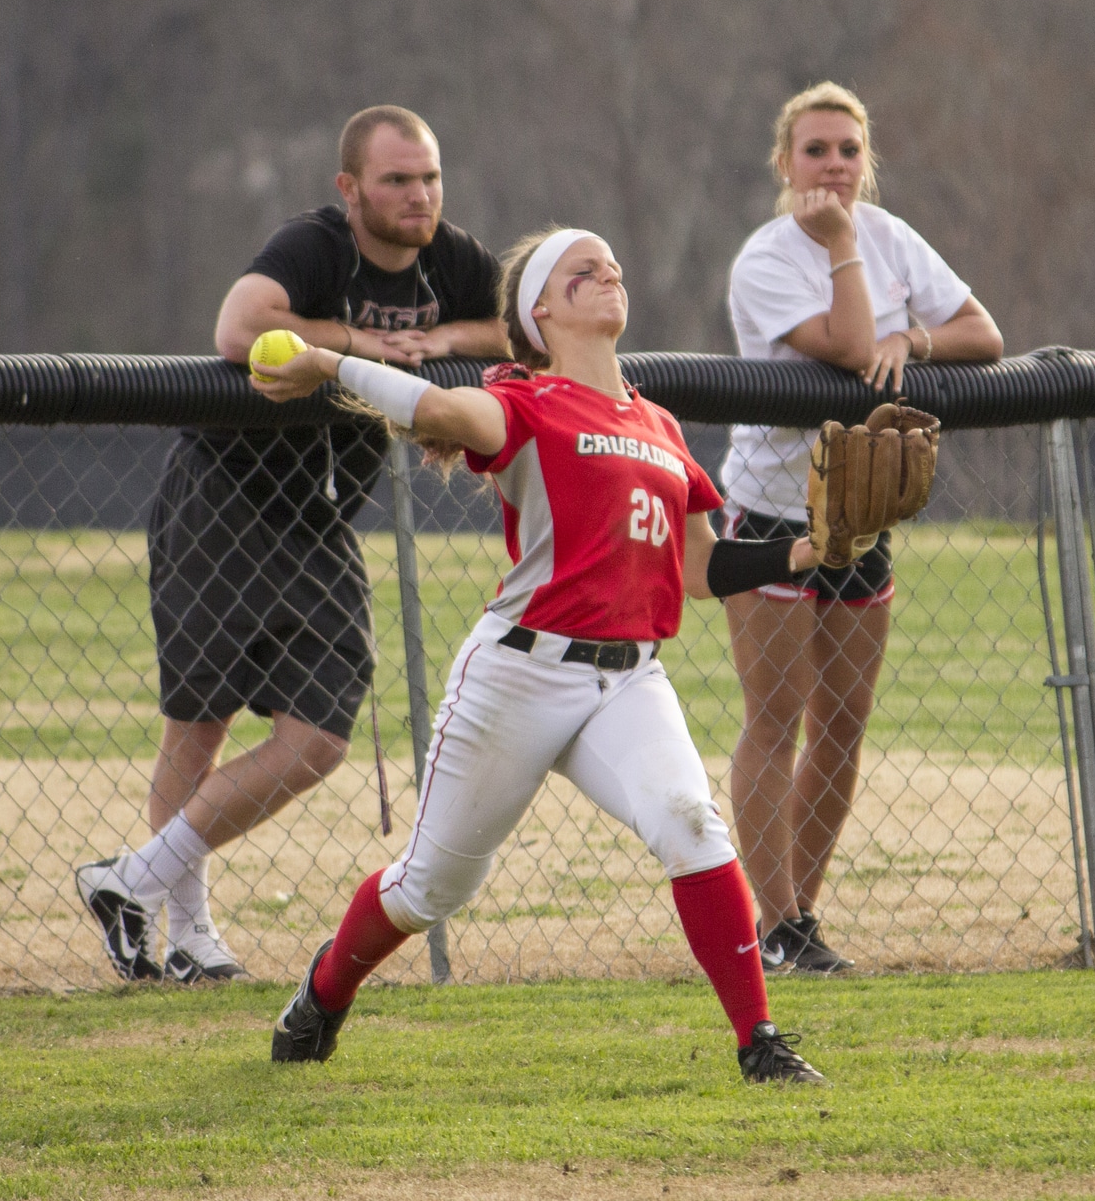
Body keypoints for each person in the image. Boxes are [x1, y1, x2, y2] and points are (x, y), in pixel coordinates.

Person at [253, 226, 831, 1082]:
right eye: (582, 271)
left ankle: (760, 1043)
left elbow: (703, 568)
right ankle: (324, 992)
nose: (609, 274)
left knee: (690, 820)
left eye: (612, 264)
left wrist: (806, 552)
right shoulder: (526, 401)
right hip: (518, 673)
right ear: (542, 312)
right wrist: (327, 364)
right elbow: (440, 412)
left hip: (629, 674)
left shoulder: (659, 424)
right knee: (428, 889)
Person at [76, 106, 511, 984]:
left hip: (319, 518)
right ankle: (186, 934)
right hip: (225, 496)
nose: (418, 194)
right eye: (396, 180)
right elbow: (239, 327)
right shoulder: (312, 245)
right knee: (198, 728)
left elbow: (516, 332)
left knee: (318, 736)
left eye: (428, 177)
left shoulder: (451, 258)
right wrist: (356, 343)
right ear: (350, 189)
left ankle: (129, 881)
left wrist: (440, 341)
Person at [718, 82, 1002, 975]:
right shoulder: (766, 259)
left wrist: (913, 342)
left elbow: (984, 334)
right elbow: (846, 345)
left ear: (866, 157)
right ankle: (771, 920)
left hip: (859, 513)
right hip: (772, 511)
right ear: (784, 163)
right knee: (778, 717)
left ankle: (798, 920)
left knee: (843, 719)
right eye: (816, 150)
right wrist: (841, 244)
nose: (834, 165)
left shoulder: (893, 236)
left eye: (848, 149)